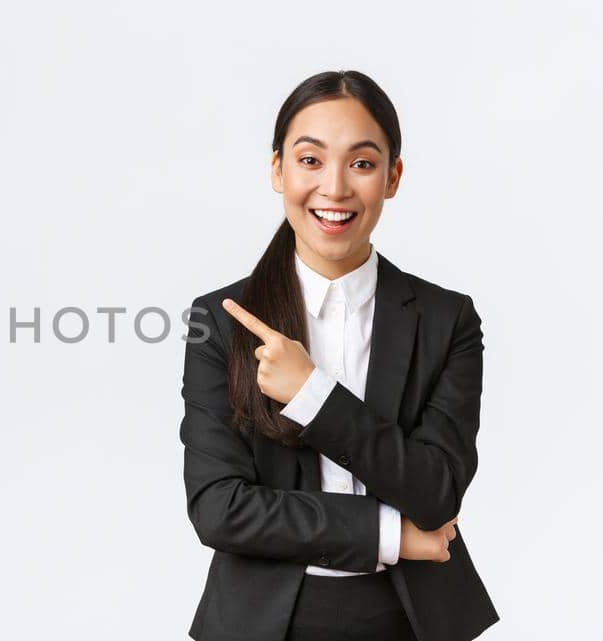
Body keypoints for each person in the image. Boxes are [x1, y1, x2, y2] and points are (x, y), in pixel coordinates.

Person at [180, 70, 499, 641]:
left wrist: (312, 395)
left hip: (410, 619)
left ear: (392, 177)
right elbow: (219, 508)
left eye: (361, 163)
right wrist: (389, 536)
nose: (334, 188)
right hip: (262, 620)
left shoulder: (447, 319)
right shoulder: (220, 322)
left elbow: (436, 491)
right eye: (309, 160)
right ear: (277, 169)